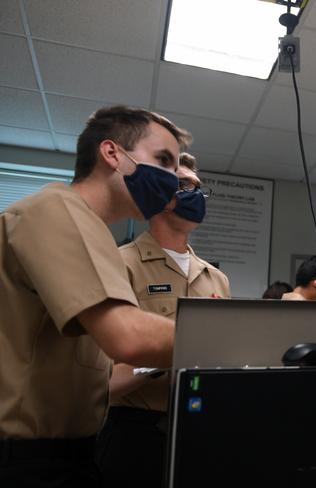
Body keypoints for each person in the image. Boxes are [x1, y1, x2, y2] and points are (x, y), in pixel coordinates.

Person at [0, 106, 192, 487]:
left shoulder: (91, 230)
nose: (173, 181)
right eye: (163, 161)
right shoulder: (56, 209)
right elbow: (129, 337)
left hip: (70, 451)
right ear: (111, 154)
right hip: (26, 459)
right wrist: (239, 341)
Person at [95, 153, 230, 488]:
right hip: (135, 433)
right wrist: (170, 353)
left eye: (199, 188)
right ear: (158, 193)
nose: (195, 194)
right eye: (184, 184)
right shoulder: (118, 263)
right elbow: (100, 378)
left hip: (200, 427)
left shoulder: (217, 279)